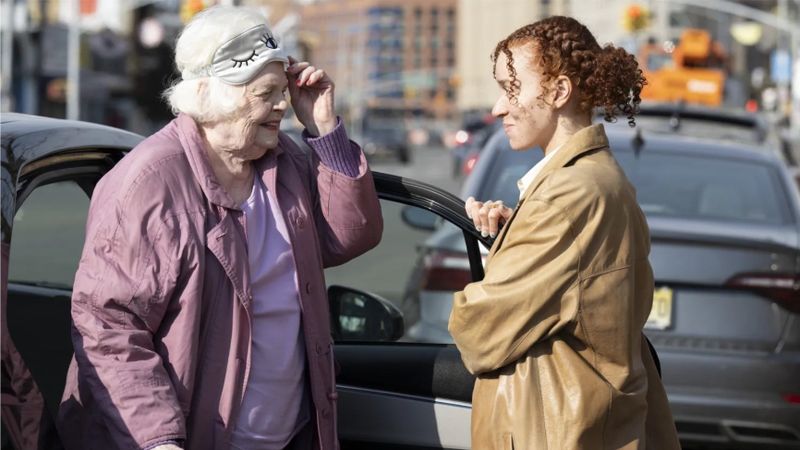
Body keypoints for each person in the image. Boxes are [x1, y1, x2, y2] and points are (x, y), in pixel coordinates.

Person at [56, 6, 382, 450]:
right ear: (214, 96)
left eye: (282, 90)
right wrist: (159, 440)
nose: (283, 105)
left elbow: (349, 234)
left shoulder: (284, 162)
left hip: (292, 436)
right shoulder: (148, 185)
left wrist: (324, 129)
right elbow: (109, 327)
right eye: (266, 93)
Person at [448, 16, 681, 449]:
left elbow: (477, 333)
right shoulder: (596, 181)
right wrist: (511, 237)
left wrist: (505, 257)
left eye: (512, 88)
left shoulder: (566, 197)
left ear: (558, 92)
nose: (499, 107)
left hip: (558, 434)